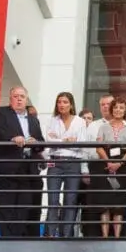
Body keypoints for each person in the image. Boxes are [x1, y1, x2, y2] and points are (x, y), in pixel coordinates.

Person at [0, 84, 45, 237]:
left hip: (27, 168)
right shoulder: (0, 113)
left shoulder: (33, 119)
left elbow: (41, 141)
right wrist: (12, 138)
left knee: (25, 204)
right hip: (6, 168)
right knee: (6, 206)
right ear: (10, 99)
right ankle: (8, 239)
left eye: (22, 97)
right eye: (16, 96)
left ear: (26, 99)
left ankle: (19, 237)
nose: (19, 99)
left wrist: (35, 142)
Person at [40, 90, 88, 237]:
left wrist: (59, 141)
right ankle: (50, 234)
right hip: (55, 163)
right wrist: (66, 140)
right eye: (59, 102)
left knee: (70, 200)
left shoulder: (80, 121)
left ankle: (66, 235)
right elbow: (50, 141)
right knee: (53, 200)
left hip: (73, 163)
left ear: (71, 104)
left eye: (65, 102)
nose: (62, 105)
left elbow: (81, 144)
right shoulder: (52, 120)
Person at [88, 98, 126, 237]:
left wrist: (119, 163)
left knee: (118, 205)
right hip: (105, 166)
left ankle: (117, 236)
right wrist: (109, 162)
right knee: (104, 204)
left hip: (121, 168)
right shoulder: (103, 127)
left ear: (125, 111)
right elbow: (98, 147)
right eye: (115, 107)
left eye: (121, 108)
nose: (118, 110)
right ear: (112, 109)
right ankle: (104, 236)